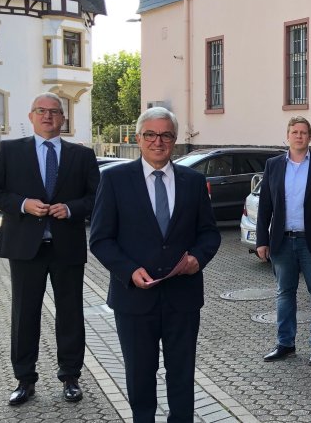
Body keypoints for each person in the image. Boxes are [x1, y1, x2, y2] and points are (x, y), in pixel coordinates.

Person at [89, 107, 221, 422]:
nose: (157, 141)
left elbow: (209, 234)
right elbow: (100, 239)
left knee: (182, 375)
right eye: (150, 134)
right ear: (138, 138)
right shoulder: (114, 180)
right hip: (133, 300)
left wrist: (196, 259)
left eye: (165, 135)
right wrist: (128, 270)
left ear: (174, 140)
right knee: (139, 375)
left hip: (183, 298)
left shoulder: (193, 181)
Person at [0, 92, 99, 406]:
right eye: (41, 111)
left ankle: (70, 377)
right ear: (31, 116)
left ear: (63, 119)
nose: (48, 116)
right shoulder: (10, 151)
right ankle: (24, 380)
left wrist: (71, 209)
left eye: (54, 112)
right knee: (24, 315)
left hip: (66, 246)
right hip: (25, 248)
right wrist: (22, 204)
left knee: (70, 314)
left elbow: (96, 198)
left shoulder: (81, 156)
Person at [257, 116, 311, 365]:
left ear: (310, 137)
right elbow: (265, 207)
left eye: (303, 132)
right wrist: (262, 240)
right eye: (294, 132)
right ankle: (285, 344)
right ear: (287, 136)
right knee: (284, 293)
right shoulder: (273, 165)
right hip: (282, 242)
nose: (299, 136)